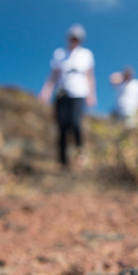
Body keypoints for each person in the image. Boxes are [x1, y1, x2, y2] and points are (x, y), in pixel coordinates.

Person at [39, 24, 97, 170]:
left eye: (77, 38)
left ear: (81, 40)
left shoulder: (86, 54)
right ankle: (62, 161)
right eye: (72, 37)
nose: (74, 40)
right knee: (62, 126)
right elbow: (53, 76)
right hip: (61, 93)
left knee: (75, 123)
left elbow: (90, 76)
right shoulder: (59, 54)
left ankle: (80, 155)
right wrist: (46, 91)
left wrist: (91, 94)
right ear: (68, 38)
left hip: (78, 93)